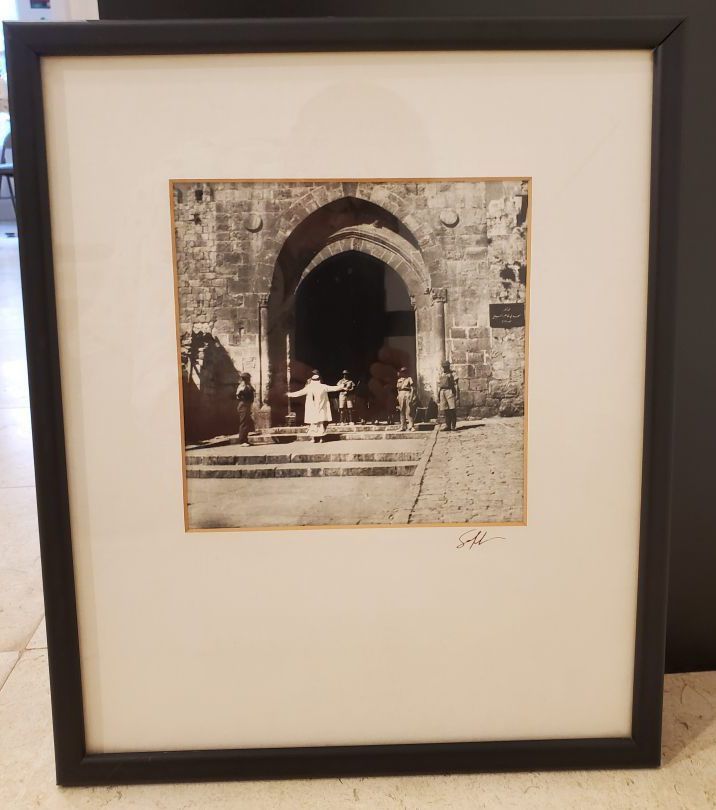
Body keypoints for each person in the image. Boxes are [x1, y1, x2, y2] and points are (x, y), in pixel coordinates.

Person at [287, 370, 344, 442]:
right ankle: (321, 438)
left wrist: (289, 394)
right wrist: (342, 386)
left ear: (312, 380)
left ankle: (313, 438)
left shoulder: (309, 387)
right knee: (320, 424)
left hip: (312, 408)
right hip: (320, 408)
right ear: (318, 380)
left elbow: (299, 393)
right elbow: (334, 388)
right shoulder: (323, 386)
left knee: (313, 423)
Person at [437, 360, 459, 431]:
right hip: (442, 391)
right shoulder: (441, 374)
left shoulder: (453, 374)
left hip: (450, 391)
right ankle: (448, 425)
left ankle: (453, 426)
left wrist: (457, 394)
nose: (445, 368)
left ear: (448, 366)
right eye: (444, 366)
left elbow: (456, 385)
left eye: (446, 366)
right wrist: (438, 394)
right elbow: (438, 385)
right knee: (445, 409)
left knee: (452, 409)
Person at [235, 372, 255, 447]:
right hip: (243, 405)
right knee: (243, 423)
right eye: (248, 378)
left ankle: (245, 440)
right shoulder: (242, 386)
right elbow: (238, 395)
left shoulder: (247, 385)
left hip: (246, 405)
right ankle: (242, 441)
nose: (249, 379)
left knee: (246, 423)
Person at [396, 366, 416, 431]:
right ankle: (402, 426)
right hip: (401, 394)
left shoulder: (409, 379)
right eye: (402, 372)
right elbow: (398, 389)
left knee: (409, 410)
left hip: (407, 393)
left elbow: (413, 388)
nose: (403, 373)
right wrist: (398, 395)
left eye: (405, 372)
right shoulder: (399, 380)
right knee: (402, 410)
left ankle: (411, 426)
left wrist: (411, 396)